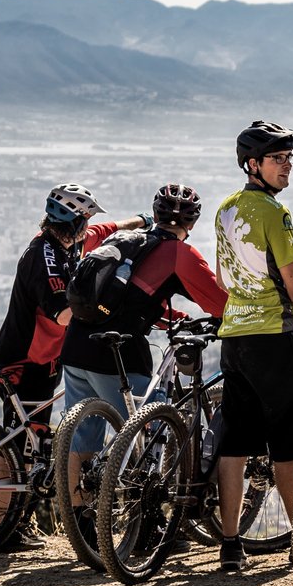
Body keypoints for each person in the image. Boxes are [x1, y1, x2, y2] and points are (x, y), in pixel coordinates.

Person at [0, 183, 150, 551]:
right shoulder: (42, 256)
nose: (89, 224)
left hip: (46, 359)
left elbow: (107, 230)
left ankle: (13, 525)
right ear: (73, 220)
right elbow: (62, 314)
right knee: (16, 444)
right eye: (85, 217)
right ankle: (0, 530)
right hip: (25, 359)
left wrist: (143, 221)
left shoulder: (71, 242)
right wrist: (109, 307)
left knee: (35, 439)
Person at [211, 121, 293, 572]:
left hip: (234, 338)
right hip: (276, 338)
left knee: (234, 445)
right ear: (253, 164)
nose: (287, 166)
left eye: (289, 158)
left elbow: (223, 279)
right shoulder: (275, 214)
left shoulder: (224, 209)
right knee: (288, 447)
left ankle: (230, 545)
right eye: (278, 158)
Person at [58, 183, 228, 449]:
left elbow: (127, 299)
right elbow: (222, 304)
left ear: (155, 215)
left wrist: (172, 317)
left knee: (80, 445)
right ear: (192, 224)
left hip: (76, 346)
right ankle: (154, 485)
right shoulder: (180, 255)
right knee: (158, 426)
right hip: (116, 357)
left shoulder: (130, 243)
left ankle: (72, 492)